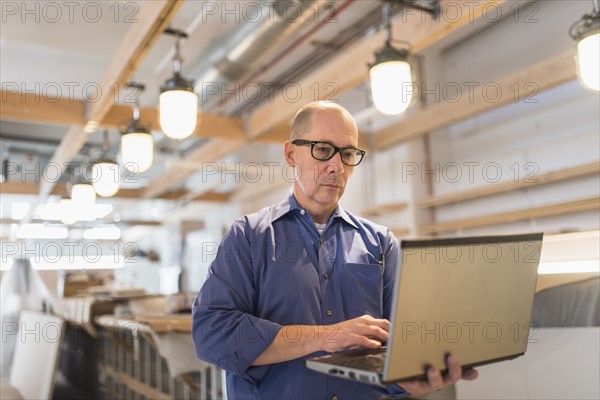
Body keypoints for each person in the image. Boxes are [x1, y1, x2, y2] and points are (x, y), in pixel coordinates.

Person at [192, 101, 478, 399]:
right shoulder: (249, 236)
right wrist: (326, 336)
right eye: (323, 150)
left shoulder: (380, 242)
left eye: (348, 153)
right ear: (291, 154)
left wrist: (410, 378)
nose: (337, 166)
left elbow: (396, 345)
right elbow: (211, 333)